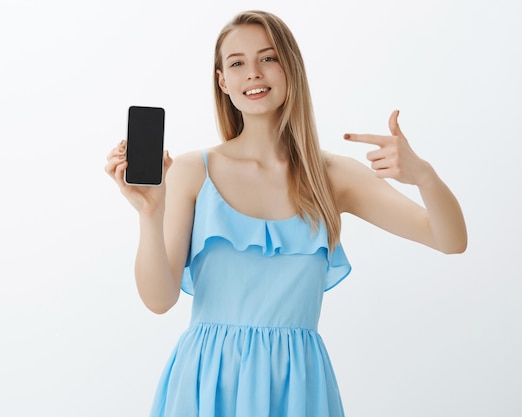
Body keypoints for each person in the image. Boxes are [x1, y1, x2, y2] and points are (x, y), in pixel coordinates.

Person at [105, 9, 467, 417]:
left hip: (298, 388)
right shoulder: (192, 171)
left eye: (268, 58)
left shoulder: (331, 176)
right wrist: (149, 213)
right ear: (223, 81)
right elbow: (158, 300)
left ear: (289, 67)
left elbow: (449, 240)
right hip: (206, 383)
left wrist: (424, 176)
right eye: (237, 63)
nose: (253, 73)